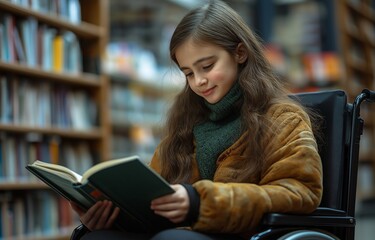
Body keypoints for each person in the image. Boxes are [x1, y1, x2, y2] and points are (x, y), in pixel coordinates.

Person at [70, 0, 323, 239]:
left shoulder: (282, 118)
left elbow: (300, 192)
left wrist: (199, 202)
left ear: (240, 53)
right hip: (181, 233)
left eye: (207, 66)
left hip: (243, 234)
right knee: (97, 236)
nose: (198, 81)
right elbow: (152, 196)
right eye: (188, 73)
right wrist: (112, 216)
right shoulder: (187, 123)